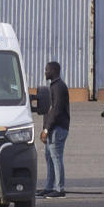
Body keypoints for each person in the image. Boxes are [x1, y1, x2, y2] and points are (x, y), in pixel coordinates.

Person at [38, 61, 70, 198]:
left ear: (54, 71)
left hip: (58, 128)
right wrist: (45, 128)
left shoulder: (58, 87)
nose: (45, 72)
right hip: (52, 128)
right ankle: (49, 187)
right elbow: (49, 111)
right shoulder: (54, 86)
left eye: (47, 70)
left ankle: (59, 188)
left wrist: (47, 129)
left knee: (56, 157)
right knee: (49, 157)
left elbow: (56, 111)